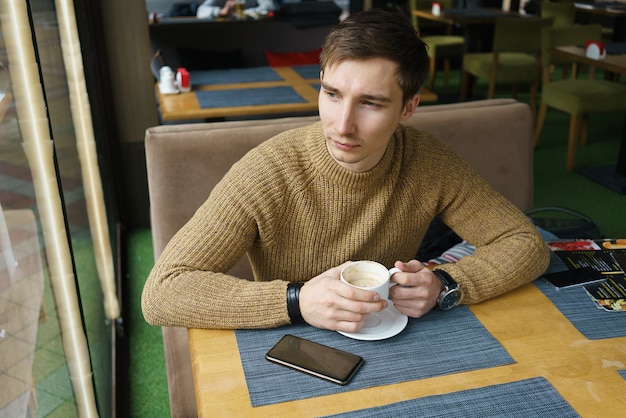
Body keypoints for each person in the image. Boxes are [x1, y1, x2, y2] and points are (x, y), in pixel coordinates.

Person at [142, 9, 550, 332]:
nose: (342, 124)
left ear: (409, 107)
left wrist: (446, 284)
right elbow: (163, 291)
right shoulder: (267, 172)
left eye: (370, 103)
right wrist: (296, 300)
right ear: (320, 82)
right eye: (332, 94)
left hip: (393, 337)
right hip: (291, 342)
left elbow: (525, 243)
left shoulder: (429, 162)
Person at [196, 0, 278, 19]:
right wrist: (221, 11)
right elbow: (201, 11)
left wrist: (239, 13)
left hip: (253, 31)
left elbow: (272, 7)